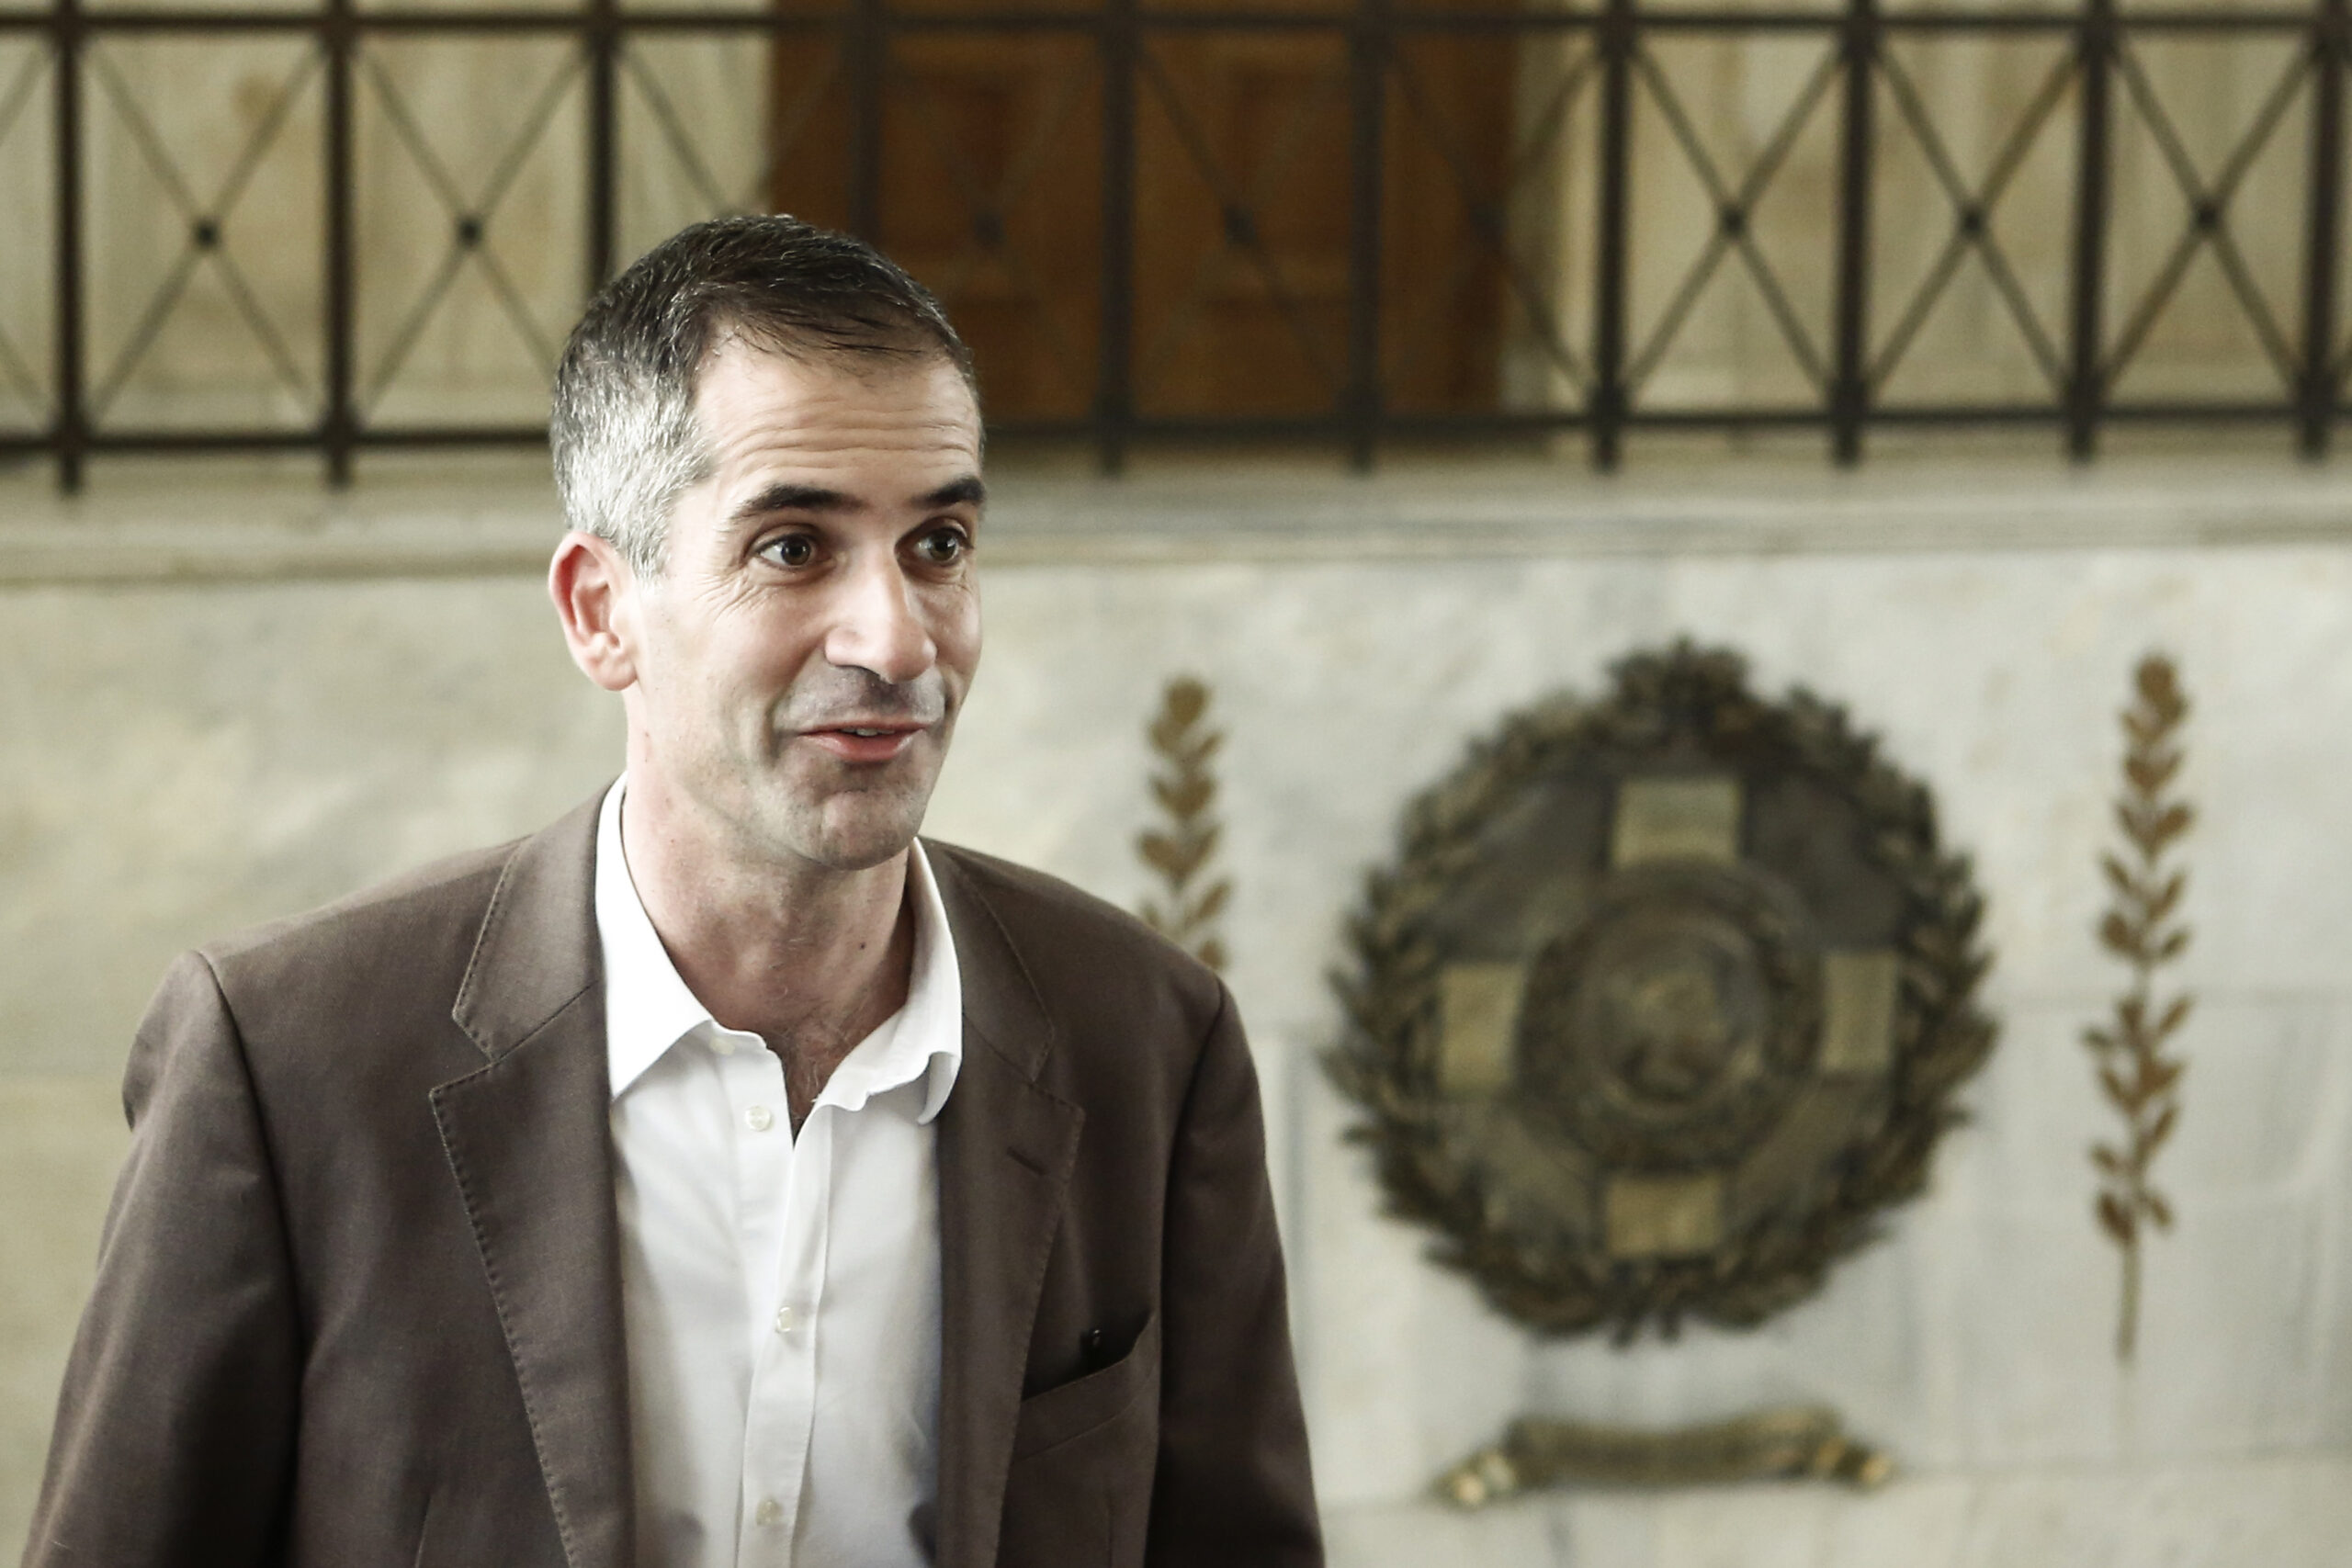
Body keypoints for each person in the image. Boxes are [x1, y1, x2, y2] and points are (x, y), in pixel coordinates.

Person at [25, 216, 1321, 1568]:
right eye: (793, 548)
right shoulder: (287, 1061)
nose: (896, 641)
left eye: (938, 544)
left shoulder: (1148, 1043)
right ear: (601, 611)